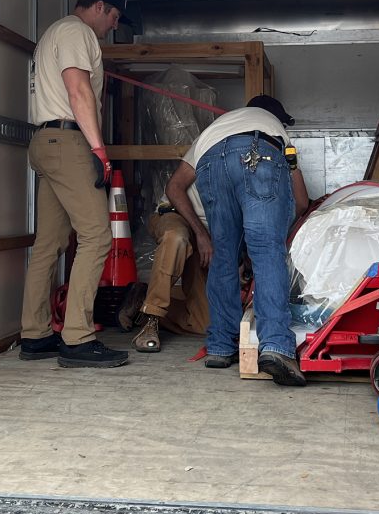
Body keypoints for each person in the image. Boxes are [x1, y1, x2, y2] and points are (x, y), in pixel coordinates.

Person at [17, 0, 129, 368]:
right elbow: (78, 90)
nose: (113, 25)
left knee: (48, 243)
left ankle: (34, 335)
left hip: (45, 142)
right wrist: (99, 150)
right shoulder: (77, 32)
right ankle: (78, 338)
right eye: (114, 16)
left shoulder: (52, 34)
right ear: (99, 6)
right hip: (68, 143)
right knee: (98, 235)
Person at [166, 95, 310, 386]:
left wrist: (201, 233)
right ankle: (276, 347)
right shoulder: (274, 130)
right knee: (267, 251)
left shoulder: (217, 128)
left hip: (210, 164)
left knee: (223, 256)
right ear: (276, 118)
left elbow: (174, 186)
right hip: (259, 154)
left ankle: (220, 346)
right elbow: (302, 200)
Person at [128, 193, 210, 352]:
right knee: (176, 238)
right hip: (175, 214)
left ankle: (141, 299)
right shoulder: (201, 166)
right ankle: (152, 316)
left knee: (203, 323)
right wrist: (200, 234)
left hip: (207, 234)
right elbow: (174, 187)